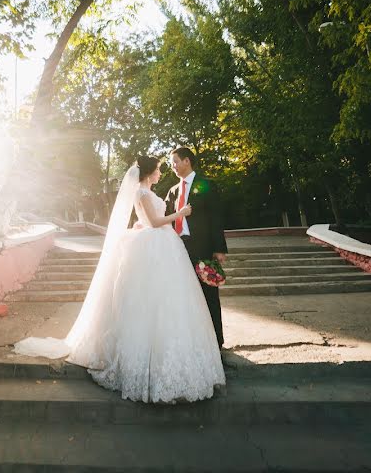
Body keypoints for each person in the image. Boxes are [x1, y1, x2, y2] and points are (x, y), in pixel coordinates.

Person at [14, 156, 225, 403]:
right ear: (148, 173)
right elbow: (156, 222)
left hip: (161, 245)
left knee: (166, 300)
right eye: (157, 170)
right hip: (158, 243)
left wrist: (139, 224)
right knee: (153, 300)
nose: (160, 173)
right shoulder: (143, 193)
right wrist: (181, 213)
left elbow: (146, 220)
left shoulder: (147, 192)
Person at [165, 146, 228, 347]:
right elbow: (165, 218)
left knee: (209, 294)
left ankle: (216, 341)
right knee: (184, 295)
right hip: (178, 250)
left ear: (187, 161)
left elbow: (216, 217)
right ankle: (192, 341)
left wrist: (219, 248)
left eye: (175, 161)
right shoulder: (173, 191)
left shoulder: (206, 185)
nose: (172, 166)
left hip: (203, 248)